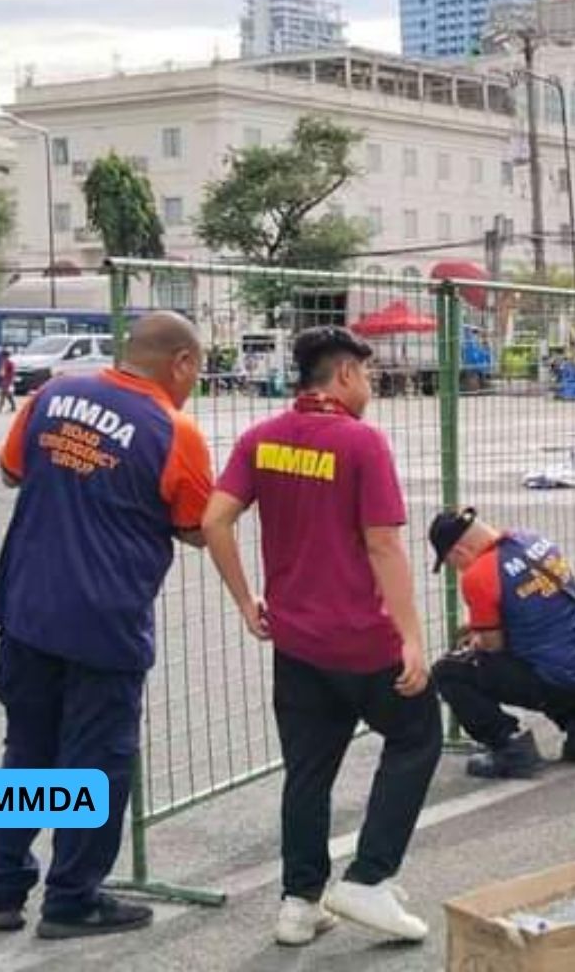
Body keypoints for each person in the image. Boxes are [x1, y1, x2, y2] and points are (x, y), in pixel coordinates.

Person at [200, 326, 441, 948]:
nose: (370, 386)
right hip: (362, 638)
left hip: (297, 641)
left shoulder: (262, 439)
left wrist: (244, 598)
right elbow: (383, 544)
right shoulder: (360, 444)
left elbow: (213, 520)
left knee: (308, 771)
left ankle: (299, 902)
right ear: (342, 377)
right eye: (366, 374)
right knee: (417, 735)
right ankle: (369, 876)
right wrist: (412, 638)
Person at [0, 311, 214, 940]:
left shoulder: (53, 394)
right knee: (97, 763)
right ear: (181, 363)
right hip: (104, 622)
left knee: (27, 750)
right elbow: (195, 528)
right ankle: (72, 898)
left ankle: (4, 887)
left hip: (28, 608)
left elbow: (11, 470)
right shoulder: (175, 430)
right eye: (199, 370)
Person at [426, 507, 575, 779]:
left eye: (452, 564)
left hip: (550, 681)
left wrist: (475, 639)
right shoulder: (534, 541)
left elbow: (493, 646)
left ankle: (510, 748)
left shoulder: (479, 574)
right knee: (553, 649)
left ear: (459, 552)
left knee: (447, 671)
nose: (458, 570)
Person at [0, 347, 20, 413]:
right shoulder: (4, 362)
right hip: (4, 379)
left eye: (2, 355)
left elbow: (12, 372)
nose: (1, 357)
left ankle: (0, 407)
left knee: (4, 393)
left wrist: (11, 381)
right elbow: (2, 371)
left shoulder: (10, 363)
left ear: (5, 356)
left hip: (7, 380)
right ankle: (12, 406)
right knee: (6, 394)